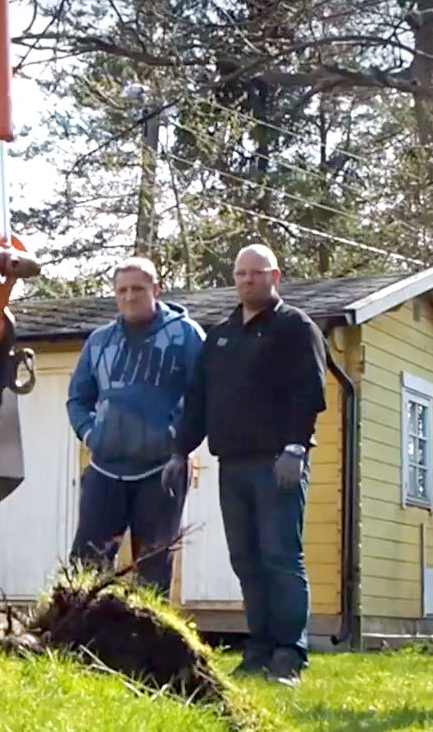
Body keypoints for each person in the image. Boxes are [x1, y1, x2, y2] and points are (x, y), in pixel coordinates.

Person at [167, 243, 326, 684]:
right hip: (232, 464)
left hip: (278, 463)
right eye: (240, 274)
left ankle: (289, 653)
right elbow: (198, 400)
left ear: (275, 277)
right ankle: (258, 648)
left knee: (280, 555)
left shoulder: (296, 328)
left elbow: (308, 391)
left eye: (255, 274)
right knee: (246, 559)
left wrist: (296, 448)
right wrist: (180, 451)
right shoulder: (220, 336)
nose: (246, 281)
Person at [65, 256, 206, 596]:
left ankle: (145, 641)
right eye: (122, 290)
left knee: (154, 562)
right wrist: (90, 433)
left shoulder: (186, 335)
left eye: (138, 289)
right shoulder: (99, 342)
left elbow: (204, 397)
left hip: (161, 469)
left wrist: (180, 444)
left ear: (156, 290)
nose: (129, 296)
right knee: (87, 560)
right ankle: (78, 632)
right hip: (105, 468)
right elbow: (78, 398)